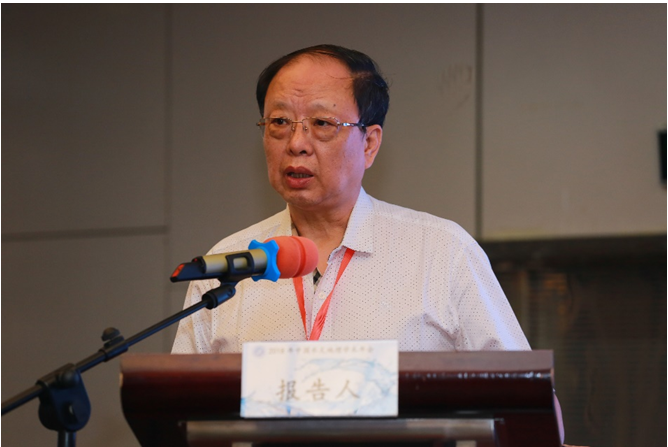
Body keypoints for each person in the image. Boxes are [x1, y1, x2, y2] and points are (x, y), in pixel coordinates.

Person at [171, 44, 530, 354]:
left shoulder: (440, 252)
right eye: (279, 122)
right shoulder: (227, 267)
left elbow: (523, 393)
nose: (296, 143)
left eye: (322, 124)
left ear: (369, 143)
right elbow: (178, 401)